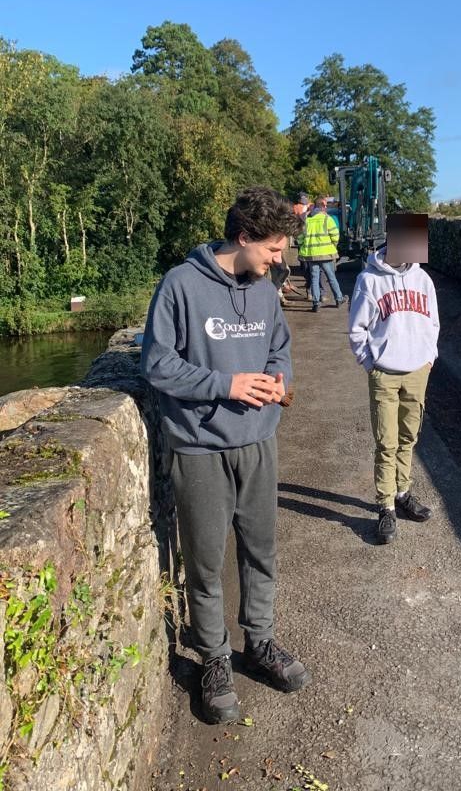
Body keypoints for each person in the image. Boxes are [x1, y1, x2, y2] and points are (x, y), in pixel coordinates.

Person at [140, 187, 310, 725]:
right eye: (274, 249)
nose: (280, 261)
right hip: (199, 447)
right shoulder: (180, 285)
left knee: (261, 551)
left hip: (258, 443)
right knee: (207, 562)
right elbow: (157, 364)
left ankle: (259, 644)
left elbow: (279, 344)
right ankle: (214, 659)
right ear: (243, 238)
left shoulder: (263, 290)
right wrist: (225, 384)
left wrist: (280, 377)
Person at [348, 216, 440, 545]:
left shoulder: (423, 280)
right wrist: (371, 363)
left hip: (417, 372)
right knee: (386, 443)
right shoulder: (369, 281)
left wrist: (430, 358)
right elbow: (357, 328)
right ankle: (385, 505)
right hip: (385, 373)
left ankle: (403, 493)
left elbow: (433, 323)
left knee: (408, 438)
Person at [297, 196, 347, 312]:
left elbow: (300, 237)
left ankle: (316, 303)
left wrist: (303, 245)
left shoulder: (307, 220)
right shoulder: (327, 219)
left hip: (311, 254)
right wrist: (333, 246)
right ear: (323, 206)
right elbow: (335, 235)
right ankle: (339, 299)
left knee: (314, 278)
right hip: (325, 254)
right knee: (331, 277)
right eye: (326, 205)